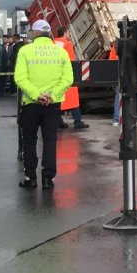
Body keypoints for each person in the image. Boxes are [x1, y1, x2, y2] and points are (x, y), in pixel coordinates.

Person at [14, 20, 73, 190]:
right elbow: (68, 79)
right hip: (52, 105)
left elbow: (20, 78)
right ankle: (48, 179)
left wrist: (36, 94)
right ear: (49, 34)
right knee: (49, 141)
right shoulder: (60, 52)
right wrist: (52, 95)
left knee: (29, 141)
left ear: (35, 34)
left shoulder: (25, 51)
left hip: (31, 104)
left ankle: (30, 177)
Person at [54, 27, 87, 130]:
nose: (69, 35)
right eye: (69, 32)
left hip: (55, 76)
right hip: (66, 76)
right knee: (73, 99)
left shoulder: (53, 43)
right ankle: (77, 121)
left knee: (57, 100)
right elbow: (71, 61)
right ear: (65, 33)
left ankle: (58, 122)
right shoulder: (67, 44)